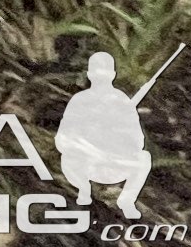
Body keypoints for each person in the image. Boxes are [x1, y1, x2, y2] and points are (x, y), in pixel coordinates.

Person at [55, 49, 151, 216]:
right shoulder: (80, 100)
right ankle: (84, 190)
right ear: (90, 74)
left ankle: (127, 201)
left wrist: (116, 133)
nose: (101, 76)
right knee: (68, 157)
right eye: (97, 71)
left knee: (143, 158)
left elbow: (138, 141)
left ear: (113, 74)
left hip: (113, 164)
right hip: (85, 163)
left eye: (105, 71)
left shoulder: (122, 101)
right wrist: (86, 145)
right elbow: (63, 138)